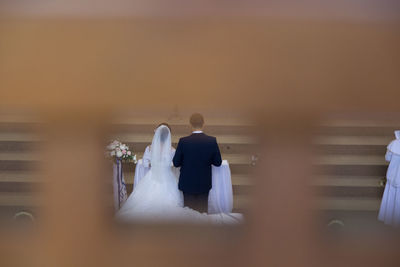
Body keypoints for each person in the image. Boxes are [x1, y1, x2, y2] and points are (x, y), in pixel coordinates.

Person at [116, 123, 241, 223]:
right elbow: (175, 163)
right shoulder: (171, 150)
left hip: (152, 177)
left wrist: (154, 164)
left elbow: (144, 163)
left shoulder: (149, 148)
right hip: (167, 177)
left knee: (143, 202)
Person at [173, 113, 222, 213]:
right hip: (204, 183)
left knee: (189, 215)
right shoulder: (211, 141)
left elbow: (176, 163)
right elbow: (218, 162)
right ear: (203, 124)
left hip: (187, 183)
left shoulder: (183, 141)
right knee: (202, 214)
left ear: (190, 124)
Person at [378, 130, 400, 225]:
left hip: (393, 176)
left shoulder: (393, 144)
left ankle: (390, 220)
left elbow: (387, 158)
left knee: (391, 198)